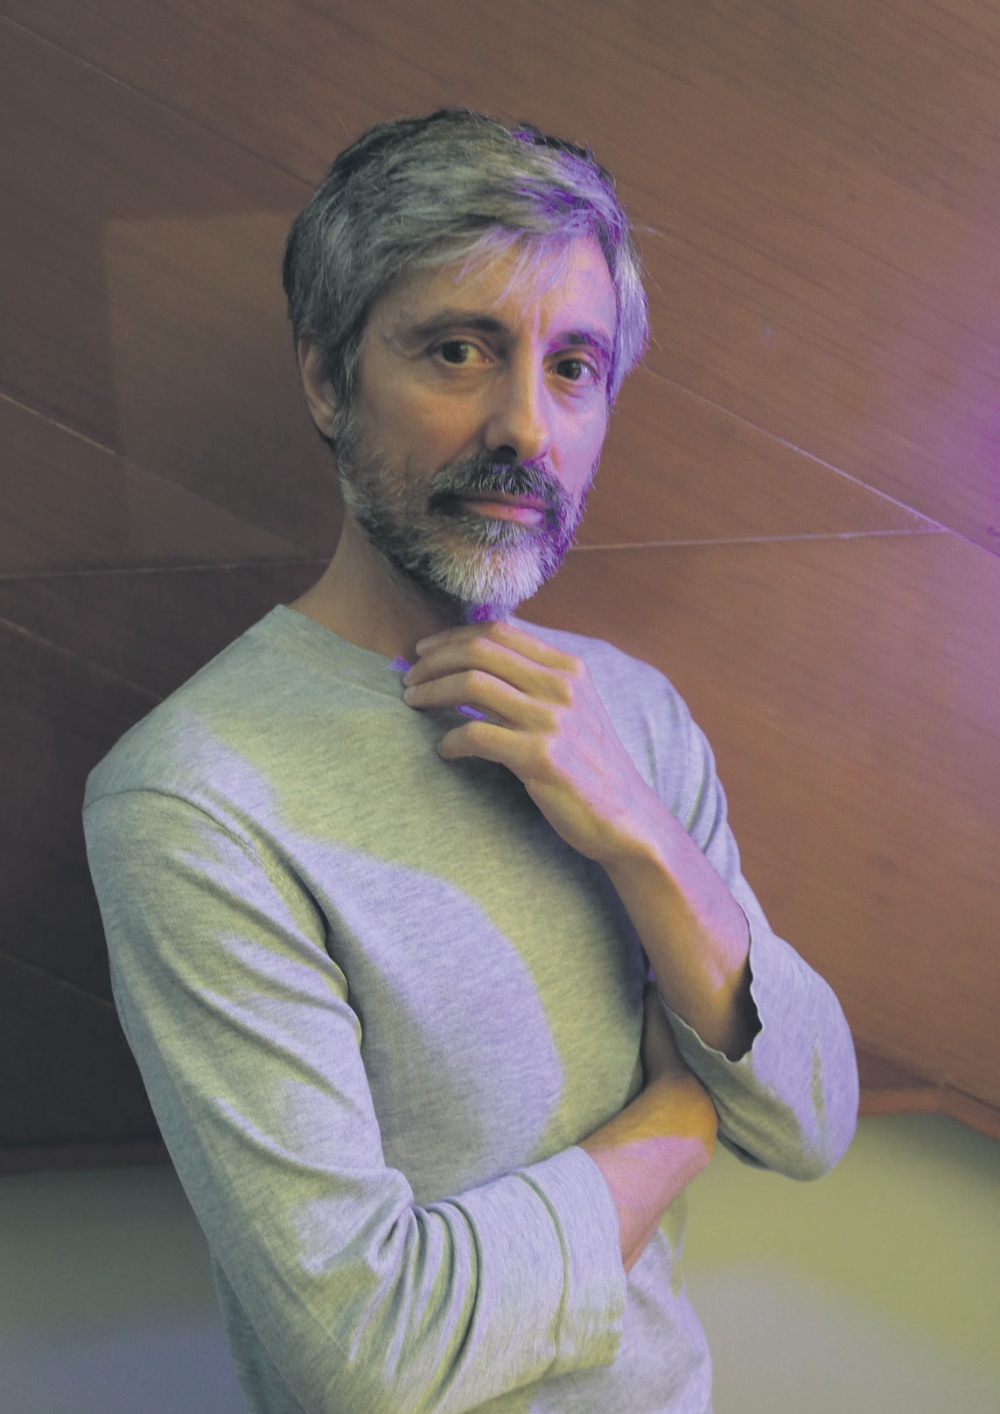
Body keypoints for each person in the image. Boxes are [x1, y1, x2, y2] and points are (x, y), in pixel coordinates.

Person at [83, 109, 858, 1413]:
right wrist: (680, 1118)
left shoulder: (629, 714)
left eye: (574, 367)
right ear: (327, 379)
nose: (525, 428)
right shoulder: (190, 799)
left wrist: (640, 831)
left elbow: (811, 1115)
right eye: (459, 350)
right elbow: (364, 1352)